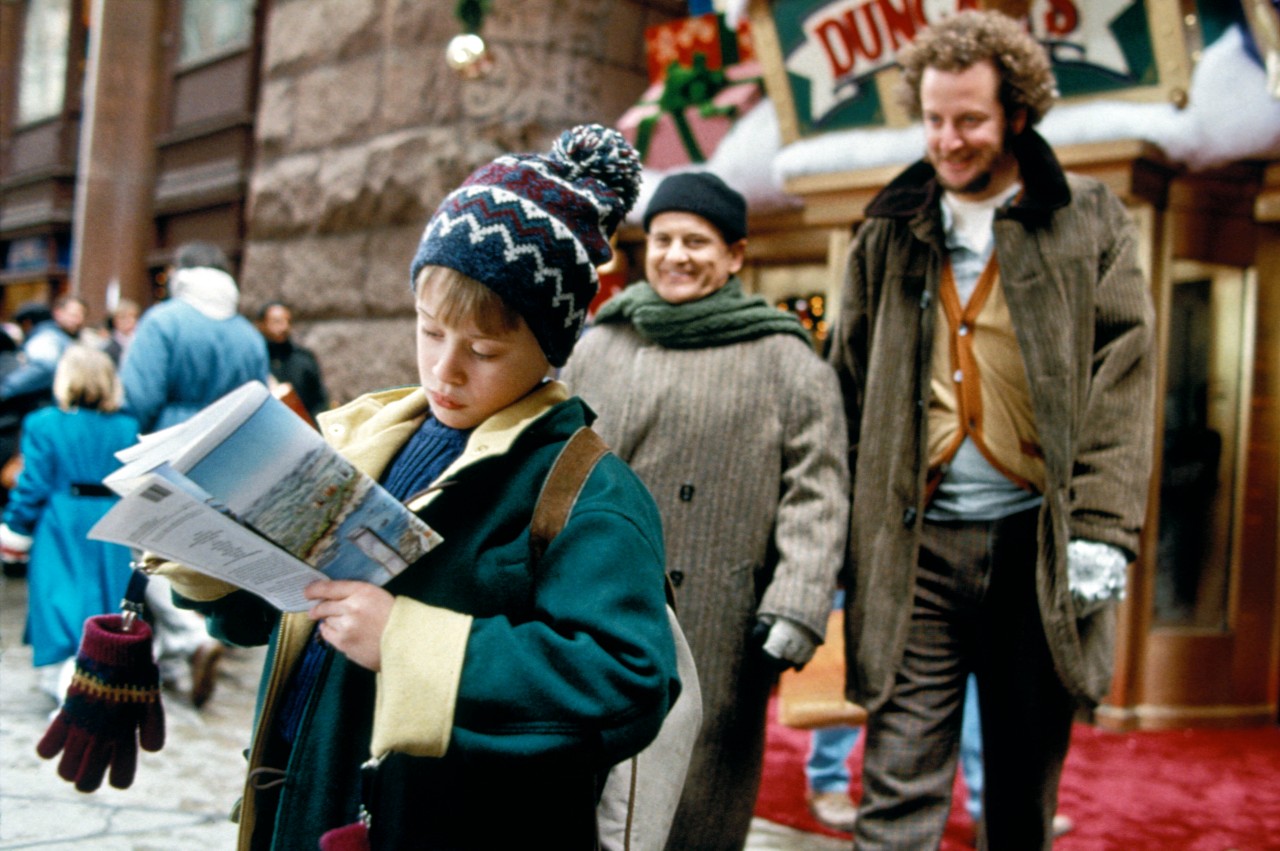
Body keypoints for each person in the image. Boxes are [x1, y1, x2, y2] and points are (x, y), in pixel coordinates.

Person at [149, 124, 680, 849]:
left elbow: (628, 679)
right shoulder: (366, 435)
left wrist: (405, 640)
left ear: (550, 347)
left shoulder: (588, 490)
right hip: (302, 803)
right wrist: (211, 551)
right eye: (430, 332)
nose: (445, 371)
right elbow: (259, 620)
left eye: (484, 349)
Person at [827, 11, 1155, 849]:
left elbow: (1124, 376)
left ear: (1016, 112)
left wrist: (1104, 530)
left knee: (1019, 797)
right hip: (915, 547)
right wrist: (836, 541)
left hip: (1035, 546)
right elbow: (847, 386)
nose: (947, 137)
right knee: (895, 786)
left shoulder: (1087, 217)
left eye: (969, 118)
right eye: (934, 118)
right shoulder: (887, 227)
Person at [561, 170, 850, 851]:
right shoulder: (600, 343)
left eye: (697, 240)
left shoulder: (788, 360)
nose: (676, 255)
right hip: (593, 608)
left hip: (723, 627)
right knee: (587, 793)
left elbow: (819, 491)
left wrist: (797, 602)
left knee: (700, 801)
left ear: (735, 256)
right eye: (663, 239)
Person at [120, 240, 270, 707]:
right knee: (207, 553)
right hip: (230, 456)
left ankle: (189, 638)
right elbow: (260, 400)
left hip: (172, 448)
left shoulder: (163, 322)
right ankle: (173, 657)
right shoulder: (248, 334)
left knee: (157, 552)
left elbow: (139, 396)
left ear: (182, 273)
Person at [0, 346, 139, 702]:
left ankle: (67, 684)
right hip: (110, 519)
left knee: (59, 599)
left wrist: (15, 526)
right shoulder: (127, 426)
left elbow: (33, 483)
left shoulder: (44, 423)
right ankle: (95, 675)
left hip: (61, 519)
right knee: (104, 600)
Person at [0, 295, 86, 405]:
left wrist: (5, 388)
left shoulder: (48, 338)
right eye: (73, 315)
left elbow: (44, 367)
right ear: (57, 313)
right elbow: (45, 367)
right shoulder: (52, 337)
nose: (79, 320)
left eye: (82, 315)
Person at [257, 300, 329, 419]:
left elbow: (318, 401)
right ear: (261, 325)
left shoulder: (303, 359)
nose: (284, 327)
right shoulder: (256, 360)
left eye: (288, 321)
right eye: (277, 322)